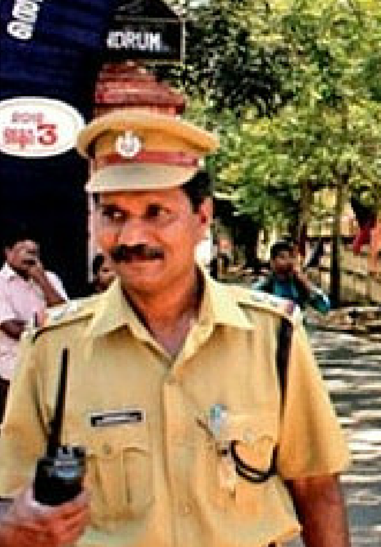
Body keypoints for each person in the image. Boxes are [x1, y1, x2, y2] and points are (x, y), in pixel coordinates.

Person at [0, 110, 350, 546]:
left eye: (155, 212)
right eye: (113, 214)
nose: (131, 237)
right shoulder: (53, 349)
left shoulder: (271, 337)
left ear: (202, 217)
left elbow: (316, 487)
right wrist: (14, 528)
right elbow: (11, 495)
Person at [0, 232, 67, 418]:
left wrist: (42, 281)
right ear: (8, 252)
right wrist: (46, 323)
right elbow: (11, 328)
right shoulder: (1, 283)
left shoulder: (50, 279)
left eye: (34, 252)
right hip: (10, 369)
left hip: (47, 366)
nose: (30, 257)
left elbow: (66, 316)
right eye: (23, 251)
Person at [254, 240, 332, 313]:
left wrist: (305, 282)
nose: (288, 261)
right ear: (272, 262)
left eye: (290, 257)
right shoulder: (264, 286)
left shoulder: (299, 285)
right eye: (282, 257)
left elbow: (324, 307)